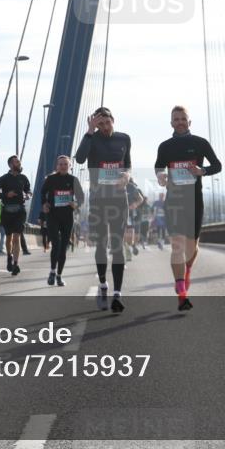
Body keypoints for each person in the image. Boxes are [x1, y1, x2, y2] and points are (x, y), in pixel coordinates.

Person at [155, 105, 222, 311]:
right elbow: (158, 166)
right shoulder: (165, 146)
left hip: (194, 201)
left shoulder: (200, 143)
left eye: (183, 119)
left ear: (189, 122)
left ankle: (187, 271)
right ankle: (181, 292)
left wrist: (202, 171)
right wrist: (160, 175)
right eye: (176, 119)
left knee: (191, 247)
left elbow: (217, 165)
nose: (180, 122)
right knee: (177, 245)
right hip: (174, 201)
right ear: (171, 123)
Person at [74, 106, 131, 313]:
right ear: (96, 125)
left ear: (113, 120)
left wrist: (126, 176)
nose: (105, 127)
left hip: (119, 199)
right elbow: (79, 159)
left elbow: (128, 165)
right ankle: (103, 284)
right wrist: (89, 131)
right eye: (100, 124)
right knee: (101, 245)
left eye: (107, 123)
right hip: (99, 200)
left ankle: (117, 294)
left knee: (117, 245)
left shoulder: (124, 138)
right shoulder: (92, 139)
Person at [41, 155, 85, 287]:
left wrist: (76, 204)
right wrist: (44, 204)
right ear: (57, 166)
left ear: (70, 166)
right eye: (60, 164)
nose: (63, 166)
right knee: (56, 244)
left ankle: (59, 275)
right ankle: (52, 272)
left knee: (63, 248)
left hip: (67, 216)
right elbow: (42, 193)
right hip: (53, 215)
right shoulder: (50, 179)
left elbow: (81, 198)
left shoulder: (73, 180)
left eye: (65, 164)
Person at [0, 155, 31, 276]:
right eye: (16, 162)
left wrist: (27, 195)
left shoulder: (23, 178)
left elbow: (29, 191)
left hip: (20, 211)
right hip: (7, 211)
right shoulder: (3, 179)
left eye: (19, 162)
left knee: (16, 237)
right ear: (10, 165)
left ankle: (16, 263)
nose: (19, 164)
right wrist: (6, 195)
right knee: (8, 238)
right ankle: (9, 256)